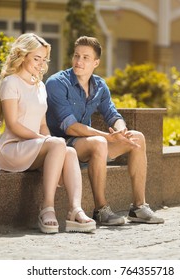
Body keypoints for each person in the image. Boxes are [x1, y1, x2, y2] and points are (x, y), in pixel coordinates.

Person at [45, 36, 164, 226]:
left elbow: (112, 114)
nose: (79, 61)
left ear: (96, 63)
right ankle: (101, 210)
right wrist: (106, 136)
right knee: (99, 142)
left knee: (138, 138)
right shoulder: (57, 83)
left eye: (85, 57)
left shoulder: (99, 86)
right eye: (76, 56)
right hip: (62, 146)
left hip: (88, 145)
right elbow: (70, 126)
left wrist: (121, 131)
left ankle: (139, 207)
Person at [0, 33, 96, 234]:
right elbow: (13, 125)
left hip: (32, 147)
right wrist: (47, 141)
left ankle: (75, 210)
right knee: (59, 144)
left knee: (69, 152)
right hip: (13, 149)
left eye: (44, 59)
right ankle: (47, 208)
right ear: (23, 56)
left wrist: (50, 143)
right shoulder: (11, 83)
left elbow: (42, 124)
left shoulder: (40, 86)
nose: (41, 64)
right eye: (36, 58)